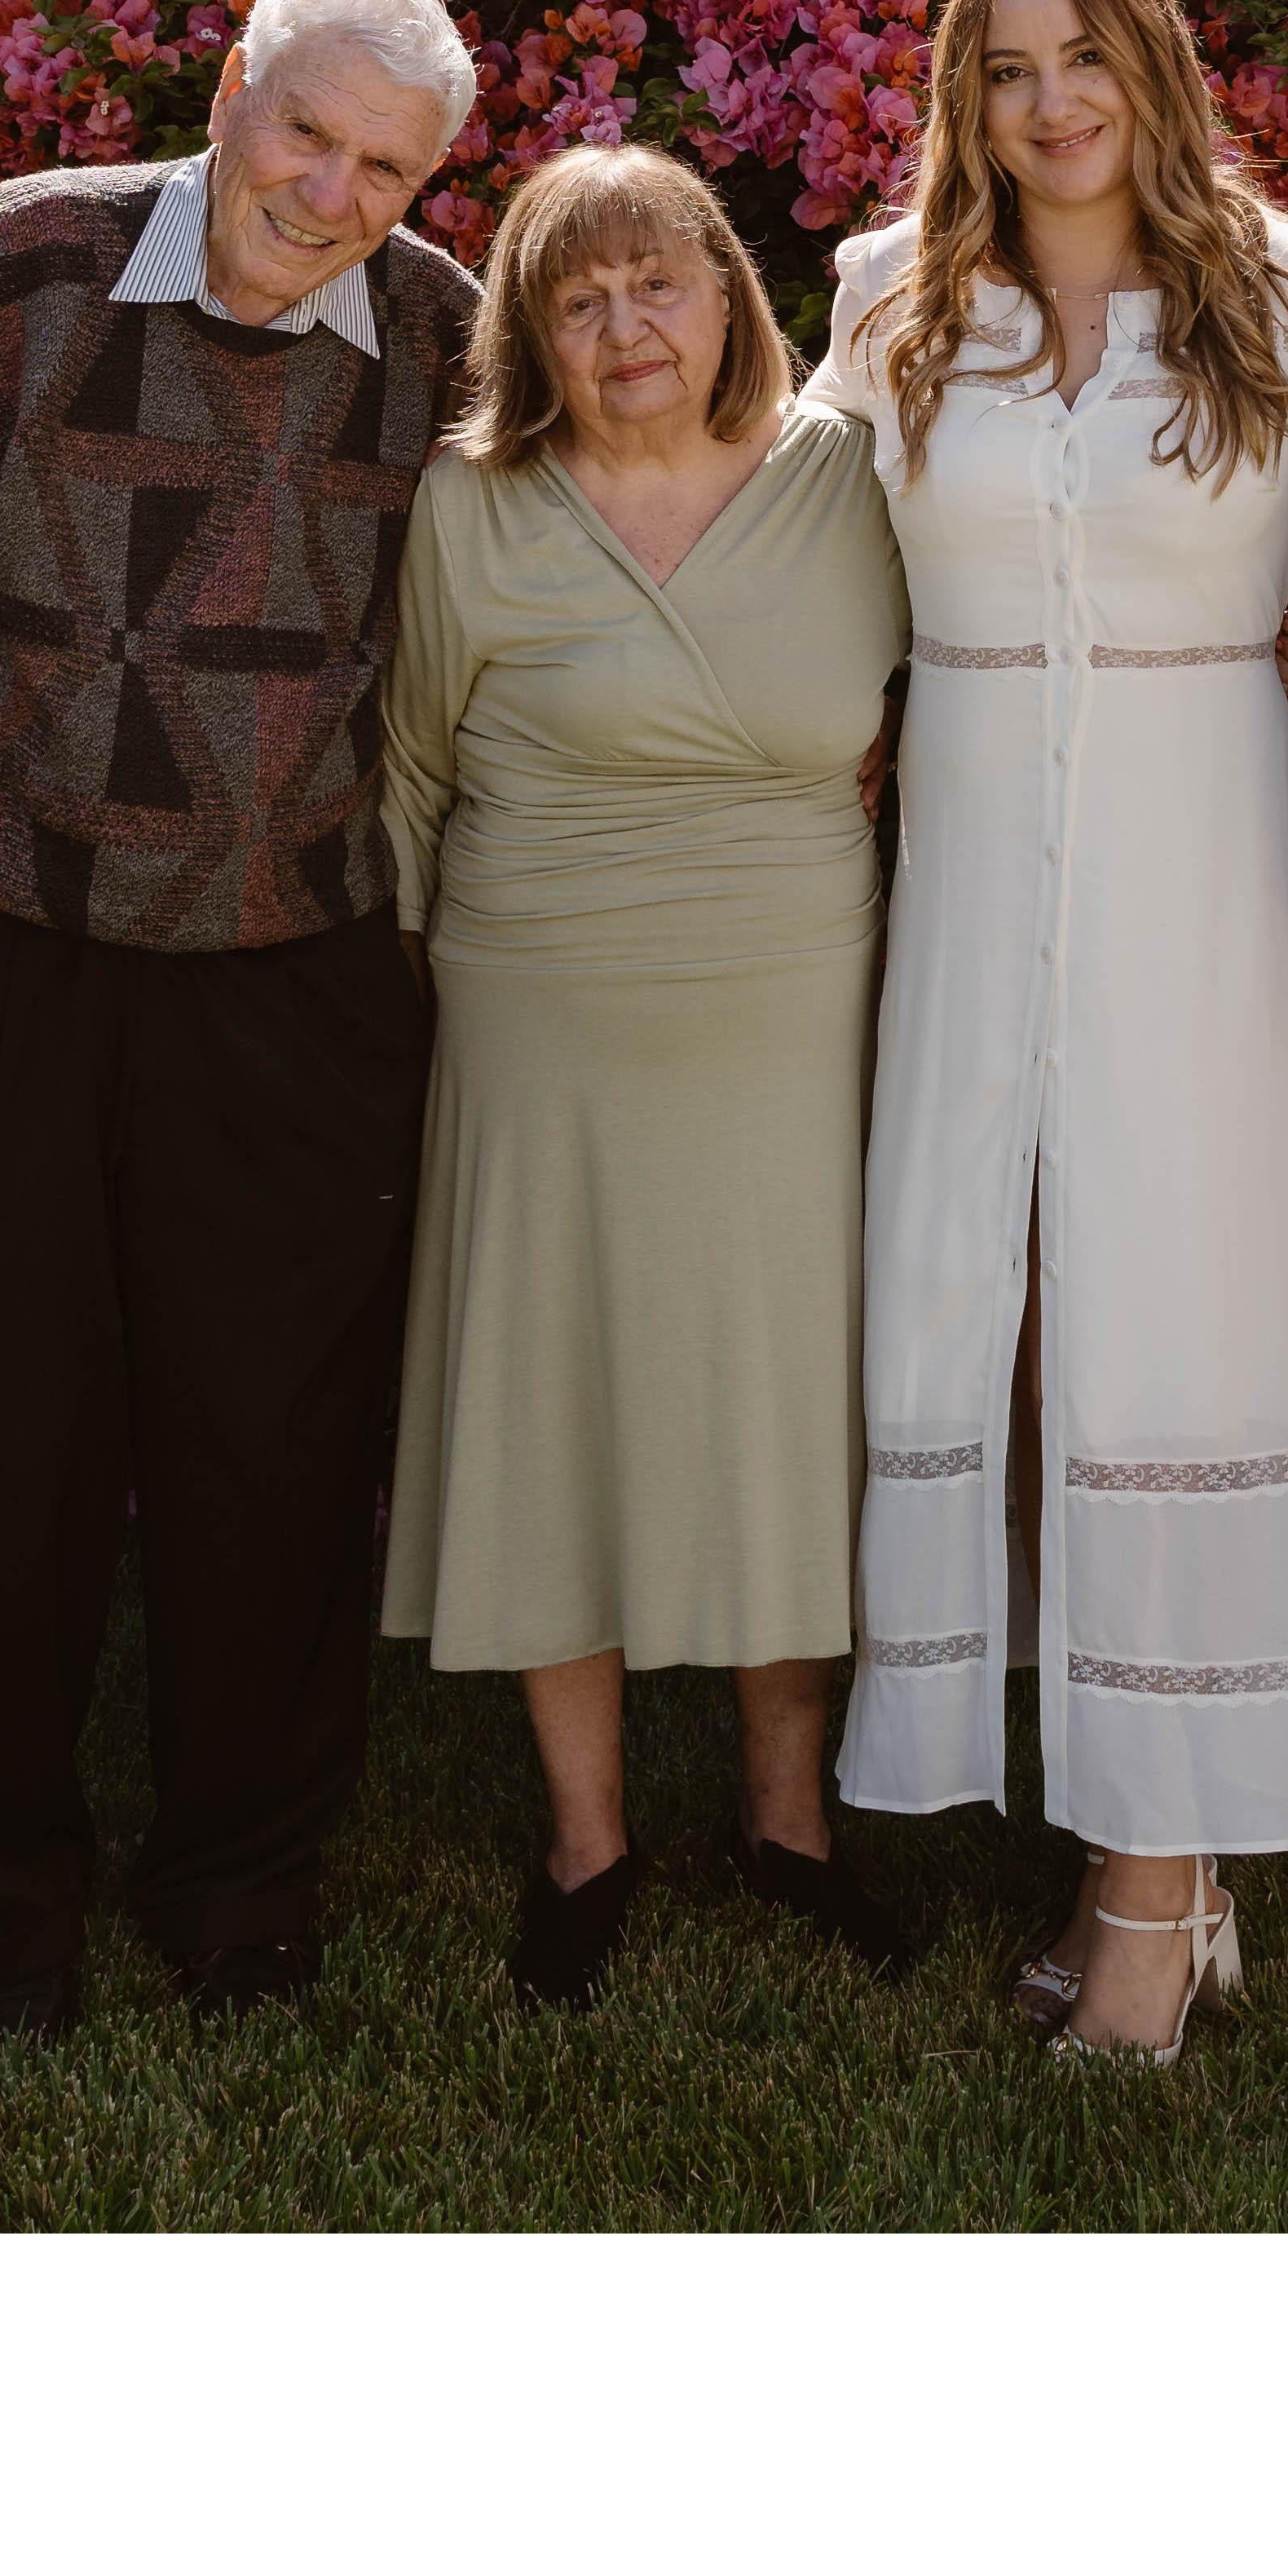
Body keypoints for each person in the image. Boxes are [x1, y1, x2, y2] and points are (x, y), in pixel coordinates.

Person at [0, 0, 482, 2045]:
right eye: (307, 135)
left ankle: (243, 1894)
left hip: (297, 974)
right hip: (8, 931)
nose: (334, 193)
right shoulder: (27, 263)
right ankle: (3, 1907)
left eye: (388, 166)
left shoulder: (442, 341)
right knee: (5, 1441)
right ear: (229, 90)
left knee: (274, 1451)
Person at [810, 0, 1288, 2061]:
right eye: (1000, 65)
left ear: (1151, 63)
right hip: (961, 851)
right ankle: (1126, 1832)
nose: (1047, 105)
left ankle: (1154, 1877)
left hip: (1202, 852)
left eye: (1083, 57)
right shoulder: (887, 302)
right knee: (985, 1306)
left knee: (1175, 1326)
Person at [377, 147, 913, 2007]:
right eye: (578, 299)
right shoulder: (474, 507)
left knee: (781, 1402)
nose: (625, 329)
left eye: (657, 283)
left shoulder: (845, 483)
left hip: (793, 1012)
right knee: (559, 1391)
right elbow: (411, 777)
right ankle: (585, 1839)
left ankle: (790, 1820)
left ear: (727, 292)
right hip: (542, 1010)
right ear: (532, 330)